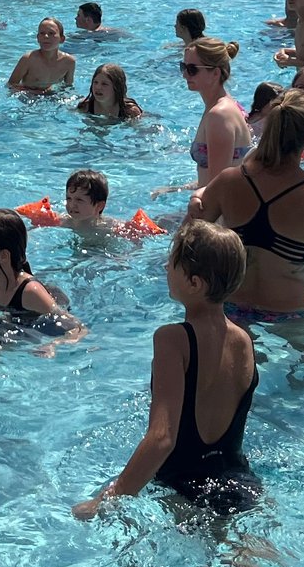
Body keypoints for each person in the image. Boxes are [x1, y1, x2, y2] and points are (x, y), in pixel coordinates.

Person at [73, 220, 258, 520]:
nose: (165, 269)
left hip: (183, 492)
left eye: (172, 263)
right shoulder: (244, 341)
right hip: (240, 483)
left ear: (195, 283)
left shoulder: (173, 339)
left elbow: (162, 438)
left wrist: (108, 498)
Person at [191, 91, 304, 319]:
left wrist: (197, 196)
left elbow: (188, 239)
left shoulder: (229, 181)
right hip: (288, 311)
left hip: (232, 307)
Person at [158, 37, 250, 200]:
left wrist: (191, 221)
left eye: (192, 69)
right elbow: (215, 174)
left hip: (221, 214)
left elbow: (217, 187)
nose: (185, 75)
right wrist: (177, 189)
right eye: (183, 67)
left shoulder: (219, 116)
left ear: (215, 73)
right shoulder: (221, 106)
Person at [8, 18, 76, 92]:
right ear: (38, 38)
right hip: (29, 97)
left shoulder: (69, 62)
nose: (46, 36)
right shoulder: (28, 59)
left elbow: (68, 87)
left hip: (52, 96)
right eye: (42, 33)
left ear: (62, 39)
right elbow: (11, 85)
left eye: (51, 33)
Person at [76, 63, 142, 120]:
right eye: (95, 82)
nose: (98, 87)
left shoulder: (129, 111)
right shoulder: (85, 106)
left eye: (104, 84)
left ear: (116, 87)